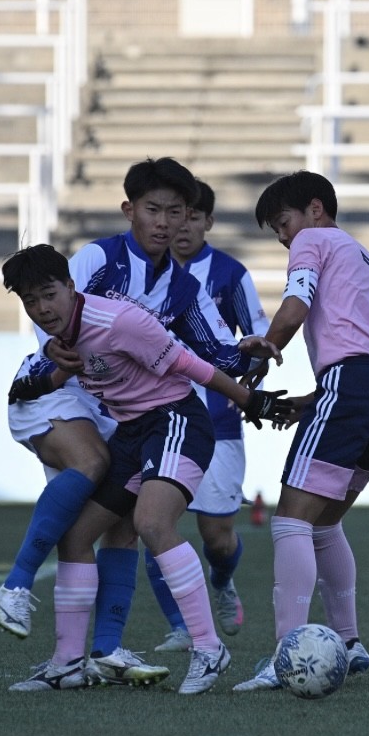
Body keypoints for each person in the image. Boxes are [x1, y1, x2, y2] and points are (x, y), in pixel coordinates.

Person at [0, 157, 280, 687]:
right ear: (130, 210)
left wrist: (248, 355)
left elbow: (210, 352)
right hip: (72, 396)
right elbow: (51, 309)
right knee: (89, 510)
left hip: (146, 417)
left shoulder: (182, 288)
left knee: (127, 527)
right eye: (154, 209)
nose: (165, 222)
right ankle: (37, 611)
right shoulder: (97, 259)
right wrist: (52, 359)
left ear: (191, 216)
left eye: (177, 212)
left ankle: (109, 650)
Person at [231, 170, 369, 693]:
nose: (283, 237)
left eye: (282, 223)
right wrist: (314, 401)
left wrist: (266, 347)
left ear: (314, 209)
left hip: (351, 387)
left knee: (292, 520)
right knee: (326, 522)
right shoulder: (364, 257)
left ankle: (285, 656)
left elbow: (297, 301)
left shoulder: (313, 241)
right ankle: (349, 643)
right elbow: (368, 348)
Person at [145, 179, 270, 652]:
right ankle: (180, 626)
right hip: (155, 416)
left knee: (217, 537)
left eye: (193, 216)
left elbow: (258, 338)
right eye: (176, 214)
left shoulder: (230, 274)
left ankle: (222, 581)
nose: (182, 226)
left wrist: (251, 388)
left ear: (208, 222)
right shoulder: (142, 272)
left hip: (218, 421)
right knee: (152, 521)